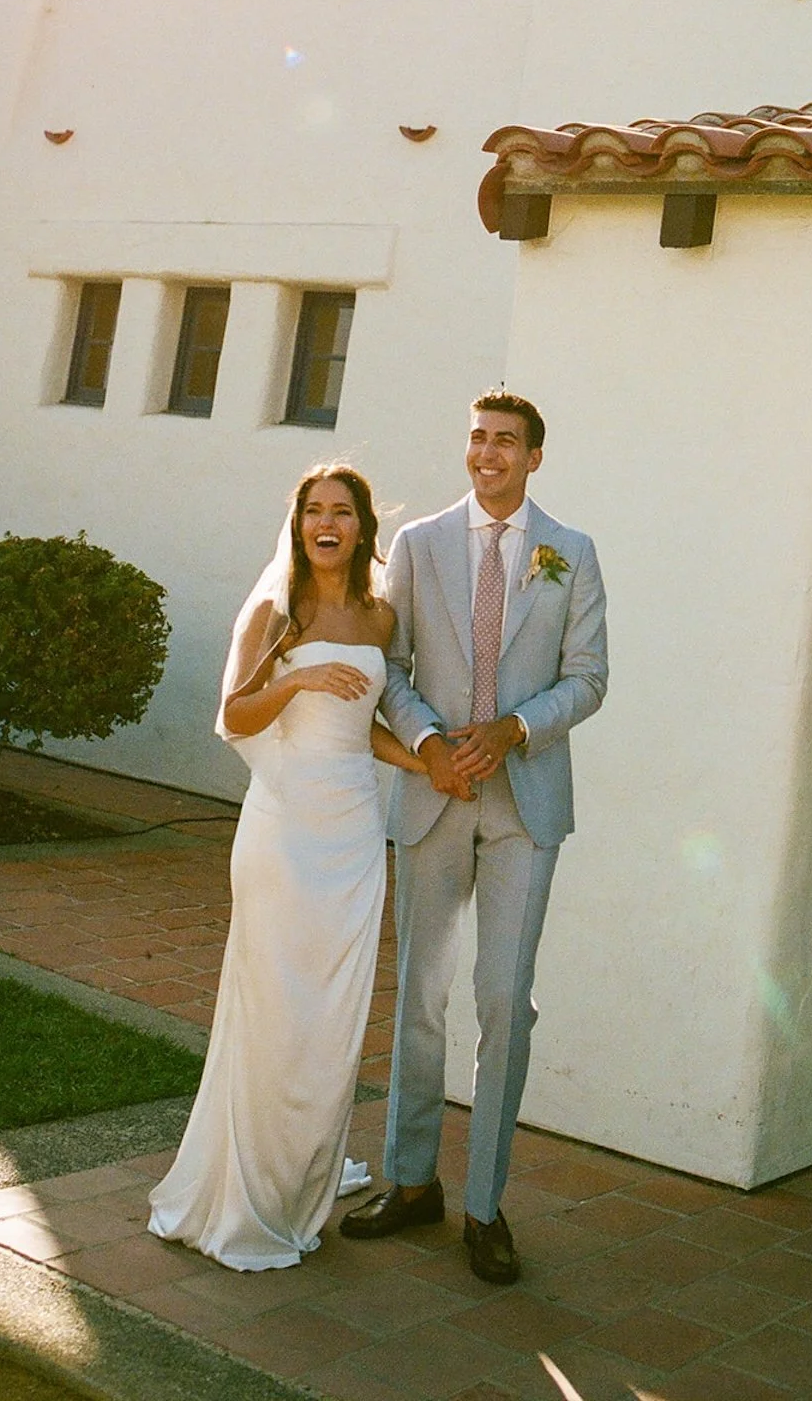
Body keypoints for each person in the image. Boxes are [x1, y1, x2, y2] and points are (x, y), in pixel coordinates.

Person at [340, 391, 607, 1284]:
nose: (487, 454)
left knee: (502, 999)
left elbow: (588, 678)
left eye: (505, 443)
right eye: (477, 439)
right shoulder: (416, 547)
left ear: (535, 457)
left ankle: (485, 1205)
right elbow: (394, 671)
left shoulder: (568, 554)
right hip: (433, 797)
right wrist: (427, 749)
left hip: (524, 804)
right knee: (420, 994)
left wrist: (513, 731)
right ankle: (410, 1179)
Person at [148, 464, 430, 1271]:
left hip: (351, 835)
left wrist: (421, 764)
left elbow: (361, 721)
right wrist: (297, 672)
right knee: (274, 1009)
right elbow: (233, 714)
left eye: (341, 511)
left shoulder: (380, 617)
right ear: (299, 523)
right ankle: (244, 1193)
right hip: (282, 832)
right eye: (313, 510)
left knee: (331, 1019)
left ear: (363, 527)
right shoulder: (279, 608)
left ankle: (300, 1178)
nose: (326, 522)